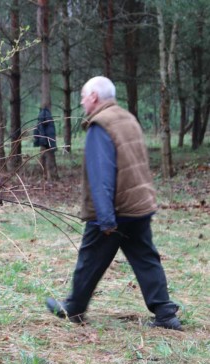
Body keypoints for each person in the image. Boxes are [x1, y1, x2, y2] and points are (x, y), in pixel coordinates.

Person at [45, 76, 181, 331]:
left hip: (114, 210)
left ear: (94, 97)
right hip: (138, 205)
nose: (82, 102)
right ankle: (165, 313)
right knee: (145, 258)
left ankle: (73, 307)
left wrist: (106, 218)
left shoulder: (101, 125)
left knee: (90, 258)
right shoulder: (127, 118)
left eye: (84, 97)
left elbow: (101, 175)